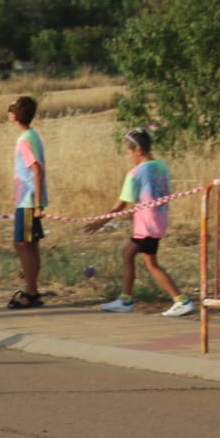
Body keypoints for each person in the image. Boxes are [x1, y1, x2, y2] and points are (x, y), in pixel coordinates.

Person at [86, 127, 195, 318]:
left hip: (147, 224)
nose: (128, 156)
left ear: (138, 150)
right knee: (128, 253)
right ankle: (125, 299)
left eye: (128, 151)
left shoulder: (135, 173)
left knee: (151, 264)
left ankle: (181, 300)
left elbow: (120, 205)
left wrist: (100, 222)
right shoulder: (161, 166)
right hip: (159, 220)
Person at [6, 95, 47, 310]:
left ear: (16, 115)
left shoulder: (24, 140)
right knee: (29, 245)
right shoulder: (32, 135)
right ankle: (33, 289)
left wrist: (38, 204)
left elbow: (36, 170)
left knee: (22, 244)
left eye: (11, 109)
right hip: (27, 199)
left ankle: (31, 292)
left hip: (28, 200)